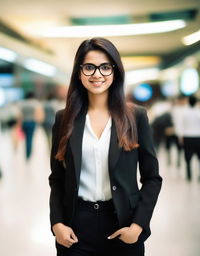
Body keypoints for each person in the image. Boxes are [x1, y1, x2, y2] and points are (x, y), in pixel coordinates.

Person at [49, 38, 162, 256]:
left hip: (123, 224)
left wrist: (137, 226)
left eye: (105, 67)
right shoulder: (64, 119)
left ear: (115, 71)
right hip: (75, 228)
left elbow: (152, 178)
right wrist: (57, 224)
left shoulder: (135, 117)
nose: (97, 74)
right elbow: (57, 179)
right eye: (89, 67)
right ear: (79, 72)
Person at [176, 95, 200, 181]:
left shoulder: (184, 113)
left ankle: (189, 175)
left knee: (188, 157)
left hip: (187, 137)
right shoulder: (198, 112)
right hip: (198, 137)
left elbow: (180, 125)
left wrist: (180, 136)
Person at [19, 92, 45, 160]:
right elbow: (39, 113)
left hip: (24, 122)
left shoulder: (22, 103)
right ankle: (29, 154)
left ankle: (27, 153)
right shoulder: (35, 103)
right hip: (32, 122)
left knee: (26, 138)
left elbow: (20, 115)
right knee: (30, 138)